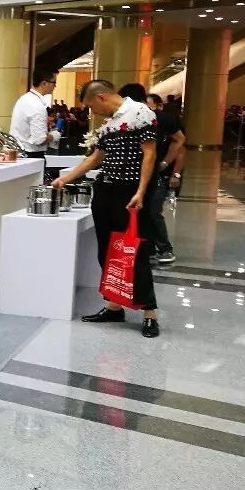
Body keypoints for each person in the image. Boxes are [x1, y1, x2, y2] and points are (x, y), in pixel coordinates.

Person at [54, 80, 160, 337]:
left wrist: (141, 191)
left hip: (130, 191)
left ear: (101, 97)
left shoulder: (140, 113)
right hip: (105, 191)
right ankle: (113, 306)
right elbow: (95, 158)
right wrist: (66, 178)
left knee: (135, 250)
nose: (93, 112)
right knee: (107, 249)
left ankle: (149, 313)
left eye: (91, 106)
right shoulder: (109, 124)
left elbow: (149, 154)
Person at [136, 87, 184, 265]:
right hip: (146, 172)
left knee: (153, 211)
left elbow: (181, 147)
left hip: (161, 174)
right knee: (145, 211)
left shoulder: (165, 121)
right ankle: (149, 249)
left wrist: (173, 171)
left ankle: (165, 248)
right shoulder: (138, 120)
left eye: (149, 105)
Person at [10, 69, 59, 158]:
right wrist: (54, 136)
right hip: (31, 155)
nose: (55, 86)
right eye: (54, 83)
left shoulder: (24, 98)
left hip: (19, 151)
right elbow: (39, 140)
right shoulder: (37, 105)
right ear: (44, 83)